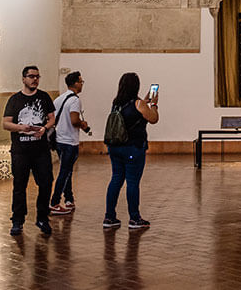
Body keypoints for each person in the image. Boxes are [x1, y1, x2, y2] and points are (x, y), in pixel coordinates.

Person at [3, 65, 57, 236]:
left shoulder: (44, 97)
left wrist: (44, 128)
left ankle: (42, 217)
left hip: (40, 150)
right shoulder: (15, 100)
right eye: (31, 76)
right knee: (19, 185)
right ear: (23, 78)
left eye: (37, 76)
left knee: (46, 182)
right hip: (20, 150)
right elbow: (5, 123)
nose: (35, 79)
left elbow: (51, 119)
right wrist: (21, 127)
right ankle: (18, 220)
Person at [103, 72, 159, 230]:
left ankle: (109, 217)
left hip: (115, 147)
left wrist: (145, 99)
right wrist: (153, 104)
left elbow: (132, 111)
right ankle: (134, 218)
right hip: (133, 147)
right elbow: (153, 118)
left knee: (116, 180)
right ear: (136, 86)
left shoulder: (116, 103)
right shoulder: (139, 104)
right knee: (133, 182)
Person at [49, 71, 90, 215]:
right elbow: (74, 120)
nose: (82, 84)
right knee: (65, 172)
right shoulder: (75, 101)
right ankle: (54, 202)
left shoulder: (59, 99)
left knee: (67, 170)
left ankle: (69, 199)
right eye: (81, 81)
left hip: (59, 139)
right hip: (69, 142)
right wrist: (83, 124)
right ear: (76, 83)